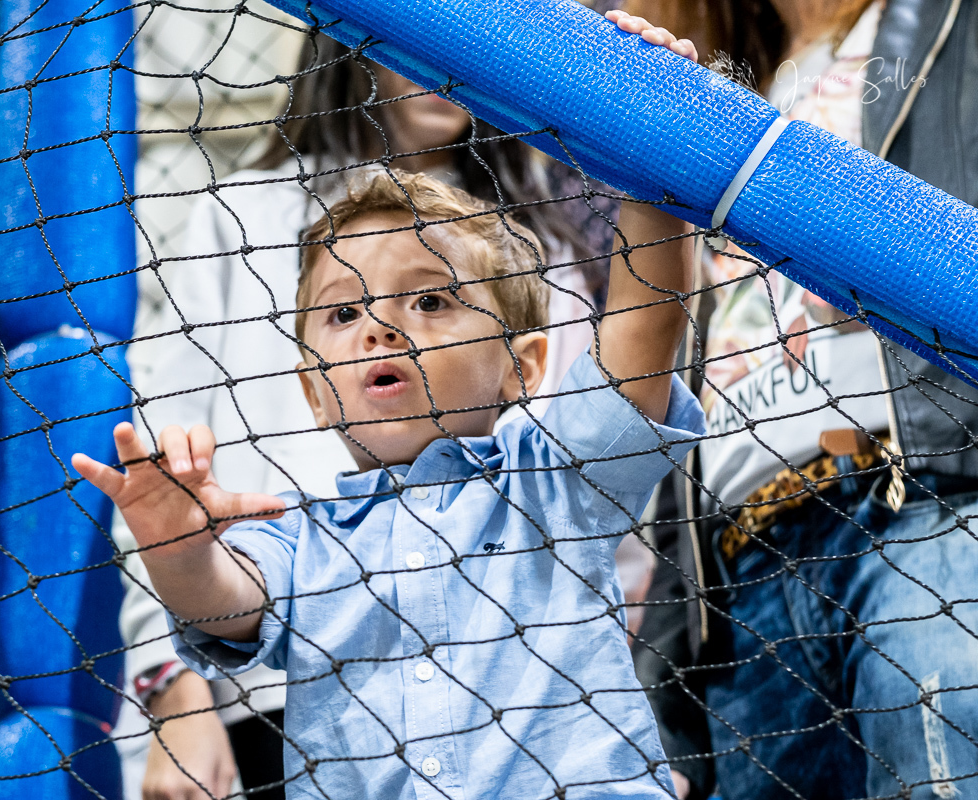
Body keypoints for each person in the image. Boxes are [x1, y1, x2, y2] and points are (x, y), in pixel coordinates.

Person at [76, 152, 705, 798]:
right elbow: (226, 603)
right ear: (314, 393)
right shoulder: (299, 534)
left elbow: (647, 321)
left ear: (522, 367)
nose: (379, 328)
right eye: (344, 314)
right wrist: (180, 549)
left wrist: (653, 152)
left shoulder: (554, 481)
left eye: (430, 300)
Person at [618, 2, 978, 798]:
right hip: (740, 582)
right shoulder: (716, 82)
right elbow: (682, 409)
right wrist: (665, 686)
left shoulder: (954, 28)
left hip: (927, 501)